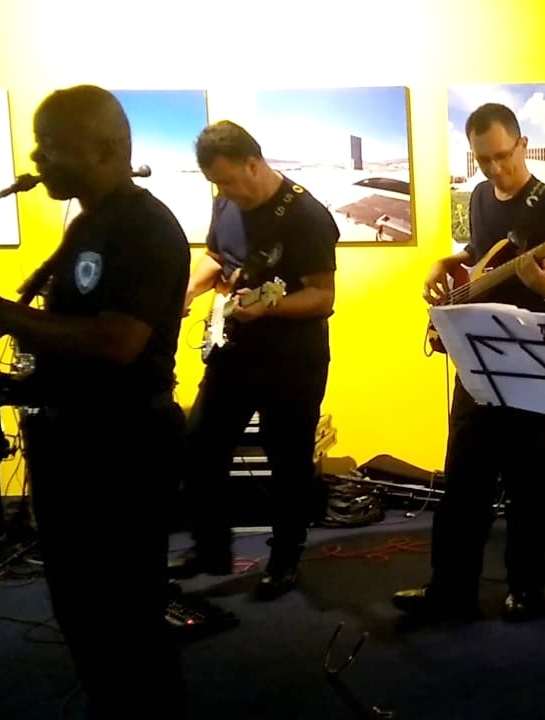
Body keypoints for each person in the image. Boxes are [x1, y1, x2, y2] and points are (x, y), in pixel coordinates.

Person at [0, 85, 189, 717]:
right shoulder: (88, 224)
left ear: (105, 149)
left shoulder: (145, 226)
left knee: (124, 612)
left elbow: (118, 342)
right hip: (76, 439)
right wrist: (8, 387)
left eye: (50, 146)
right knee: (82, 607)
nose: (36, 159)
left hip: (121, 445)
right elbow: (76, 340)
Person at [392, 102, 545, 623]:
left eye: (503, 155)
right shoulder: (480, 196)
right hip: (478, 356)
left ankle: (526, 588)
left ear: (523, 145)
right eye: (484, 159)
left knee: (528, 485)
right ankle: (450, 589)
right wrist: (446, 262)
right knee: (462, 480)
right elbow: (480, 254)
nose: (496, 168)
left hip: (533, 361)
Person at [167, 121, 338, 601]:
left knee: (287, 461)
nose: (222, 192)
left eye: (227, 181)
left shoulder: (306, 215)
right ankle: (211, 547)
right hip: (235, 349)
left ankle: (284, 560)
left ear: (253, 163)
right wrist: (187, 291)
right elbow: (216, 255)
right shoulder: (226, 202)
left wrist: (270, 308)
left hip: (292, 359)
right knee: (200, 445)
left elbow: (323, 296)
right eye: (215, 184)